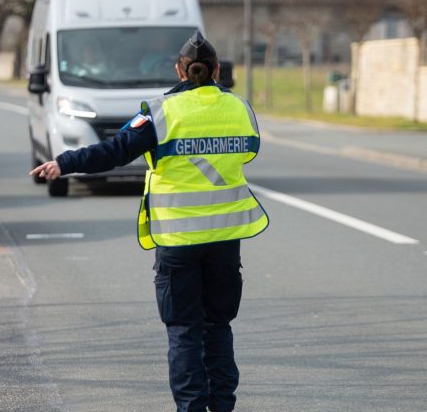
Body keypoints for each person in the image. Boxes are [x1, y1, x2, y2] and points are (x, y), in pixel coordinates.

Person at [30, 30, 269, 412]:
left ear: (179, 70)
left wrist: (65, 163)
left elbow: (114, 151)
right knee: (218, 328)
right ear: (217, 69)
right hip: (225, 239)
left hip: (177, 241)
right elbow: (250, 151)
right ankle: (222, 406)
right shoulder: (240, 109)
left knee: (184, 332)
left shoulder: (160, 113)